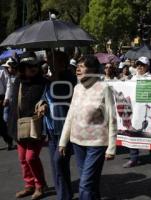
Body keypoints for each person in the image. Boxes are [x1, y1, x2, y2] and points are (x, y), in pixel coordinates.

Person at [59, 55, 117, 200]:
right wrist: (63, 141)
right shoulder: (77, 88)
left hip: (96, 144)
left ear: (92, 70)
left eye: (82, 66)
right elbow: (70, 115)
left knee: (85, 184)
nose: (78, 69)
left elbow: (112, 118)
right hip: (77, 143)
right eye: (77, 66)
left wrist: (111, 147)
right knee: (91, 183)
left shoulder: (104, 88)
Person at [8, 51, 48, 199]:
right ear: (22, 67)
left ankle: (40, 185)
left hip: (36, 127)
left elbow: (49, 100)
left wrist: (45, 105)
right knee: (23, 159)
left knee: (31, 158)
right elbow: (13, 106)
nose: (33, 68)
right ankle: (29, 185)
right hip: (19, 127)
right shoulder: (18, 82)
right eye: (28, 65)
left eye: (35, 65)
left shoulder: (44, 82)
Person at [41, 51, 77, 200]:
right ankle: (64, 195)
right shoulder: (49, 79)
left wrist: (55, 79)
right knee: (57, 167)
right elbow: (45, 96)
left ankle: (64, 196)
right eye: (48, 59)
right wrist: (41, 102)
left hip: (64, 127)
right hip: (50, 128)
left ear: (60, 62)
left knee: (59, 163)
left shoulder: (69, 78)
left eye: (50, 59)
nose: (47, 62)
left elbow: (63, 97)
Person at [122, 56, 151, 168]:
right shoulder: (132, 78)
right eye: (138, 64)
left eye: (142, 65)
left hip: (148, 110)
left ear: (147, 66)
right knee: (133, 132)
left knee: (150, 130)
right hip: (135, 110)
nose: (139, 67)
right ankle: (134, 158)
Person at [0, 58, 14, 150]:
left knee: (3, 123)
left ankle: (9, 141)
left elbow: (8, 84)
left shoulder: (2, 70)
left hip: (1, 98)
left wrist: (6, 98)